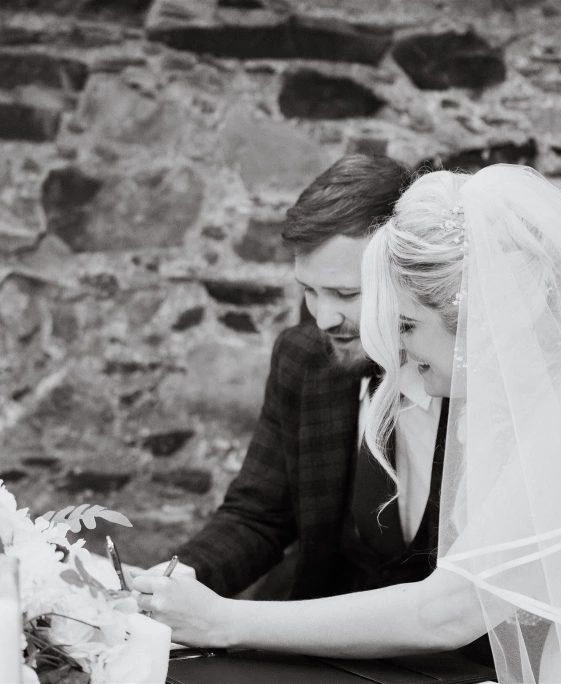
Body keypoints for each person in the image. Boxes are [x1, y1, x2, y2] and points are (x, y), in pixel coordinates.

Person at [135, 164, 561, 682]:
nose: (394, 349)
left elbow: (452, 610)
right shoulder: (551, 386)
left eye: (405, 326)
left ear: (480, 311)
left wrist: (224, 621)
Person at [137, 153, 493, 667]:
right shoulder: (304, 357)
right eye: (309, 291)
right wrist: (166, 587)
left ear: (406, 278)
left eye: (347, 293)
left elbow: (455, 610)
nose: (325, 318)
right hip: (305, 645)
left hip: (464, 664)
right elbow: (257, 515)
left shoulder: (483, 383)